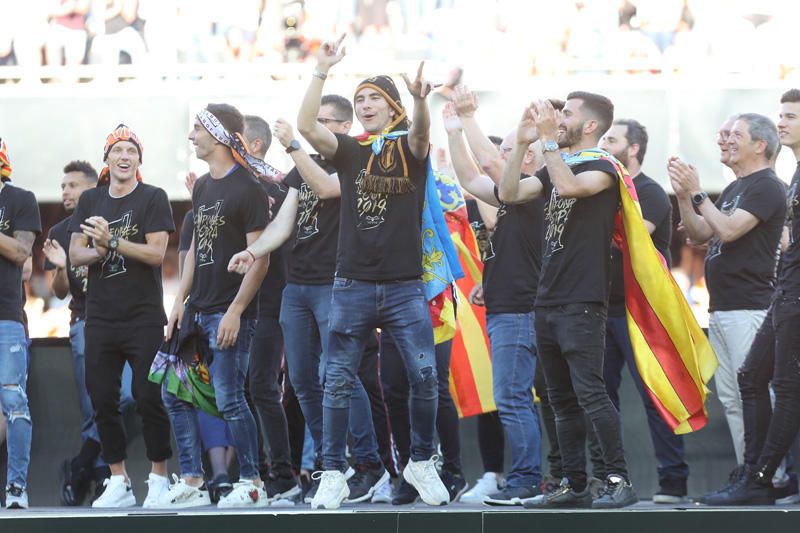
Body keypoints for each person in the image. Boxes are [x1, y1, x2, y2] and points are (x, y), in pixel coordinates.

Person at [295, 35, 448, 509]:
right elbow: (306, 127)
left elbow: (422, 133)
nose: (363, 106)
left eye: (373, 99)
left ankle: (422, 460)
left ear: (393, 106)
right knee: (336, 378)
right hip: (352, 284)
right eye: (359, 99)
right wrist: (320, 71)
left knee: (425, 377)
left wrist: (421, 100)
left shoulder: (411, 147)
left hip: (404, 286)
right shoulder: (350, 150)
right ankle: (335, 470)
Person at [229, 98, 390, 504]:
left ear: (346, 125)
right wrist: (254, 251)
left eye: (325, 122)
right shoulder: (305, 166)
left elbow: (325, 187)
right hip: (297, 286)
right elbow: (283, 221)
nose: (317, 129)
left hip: (336, 284)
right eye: (313, 123)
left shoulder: (357, 160)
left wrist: (294, 147)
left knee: (339, 375)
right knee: (301, 381)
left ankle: (370, 464)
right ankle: (332, 465)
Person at [499, 93, 637, 509]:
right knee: (559, 399)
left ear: (591, 126)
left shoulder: (603, 166)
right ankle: (574, 483)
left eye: (568, 114)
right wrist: (523, 143)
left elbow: (569, 186)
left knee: (590, 394)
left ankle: (618, 479)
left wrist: (547, 141)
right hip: (548, 297)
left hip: (583, 298)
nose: (559, 119)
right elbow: (508, 193)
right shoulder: (555, 162)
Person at [669, 113, 786, 503]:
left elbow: (729, 230)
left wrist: (699, 193)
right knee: (735, 401)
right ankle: (749, 473)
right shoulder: (740, 186)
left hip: (750, 308)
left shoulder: (767, 186)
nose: (726, 140)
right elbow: (702, 232)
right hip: (724, 310)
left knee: (755, 396)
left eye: (737, 135)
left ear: (760, 145)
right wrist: (686, 197)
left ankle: (769, 476)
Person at [164, 103, 270, 508]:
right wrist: (178, 303)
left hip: (228, 311)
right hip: (196, 312)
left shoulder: (248, 188)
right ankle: (192, 478)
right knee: (175, 394)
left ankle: (252, 481)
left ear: (218, 134)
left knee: (229, 398)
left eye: (197, 129)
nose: (191, 137)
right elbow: (192, 252)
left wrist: (236, 311)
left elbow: (260, 256)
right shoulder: (204, 187)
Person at [443, 92, 544, 506]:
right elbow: (470, 178)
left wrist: (468, 119)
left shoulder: (535, 189)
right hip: (507, 304)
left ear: (532, 160)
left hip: (521, 308)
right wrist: (453, 132)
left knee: (513, 397)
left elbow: (487, 165)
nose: (505, 154)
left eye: (515, 150)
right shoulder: (512, 194)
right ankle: (531, 478)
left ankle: (525, 480)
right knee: (516, 397)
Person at [68, 125, 174, 508]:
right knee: (101, 400)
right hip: (99, 317)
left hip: (143, 316)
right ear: (107, 158)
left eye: (131, 150)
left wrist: (111, 241)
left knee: (148, 397)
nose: (124, 156)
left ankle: (159, 476)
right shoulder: (91, 200)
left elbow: (156, 254)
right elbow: (75, 255)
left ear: (139, 159)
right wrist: (99, 249)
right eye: (118, 150)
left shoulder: (153, 197)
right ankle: (118, 478)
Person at [597, 119, 689, 503]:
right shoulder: (601, 192)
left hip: (641, 314)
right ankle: (613, 480)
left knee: (655, 396)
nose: (603, 144)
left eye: (611, 139)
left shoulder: (648, 191)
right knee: (601, 399)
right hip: (602, 310)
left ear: (632, 149)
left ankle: (673, 481)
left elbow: (632, 238)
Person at [44, 160, 135, 506]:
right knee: (92, 407)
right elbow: (60, 292)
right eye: (63, 186)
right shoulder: (58, 232)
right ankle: (101, 479)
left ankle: (81, 464)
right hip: (83, 323)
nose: (65, 192)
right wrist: (59, 266)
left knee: (127, 395)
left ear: (91, 189)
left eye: (72, 186)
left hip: (124, 322)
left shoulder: (111, 221)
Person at [0, 138, 41, 509]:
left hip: (5, 317)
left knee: (14, 401)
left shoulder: (20, 199)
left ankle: (16, 488)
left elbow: (20, 251)